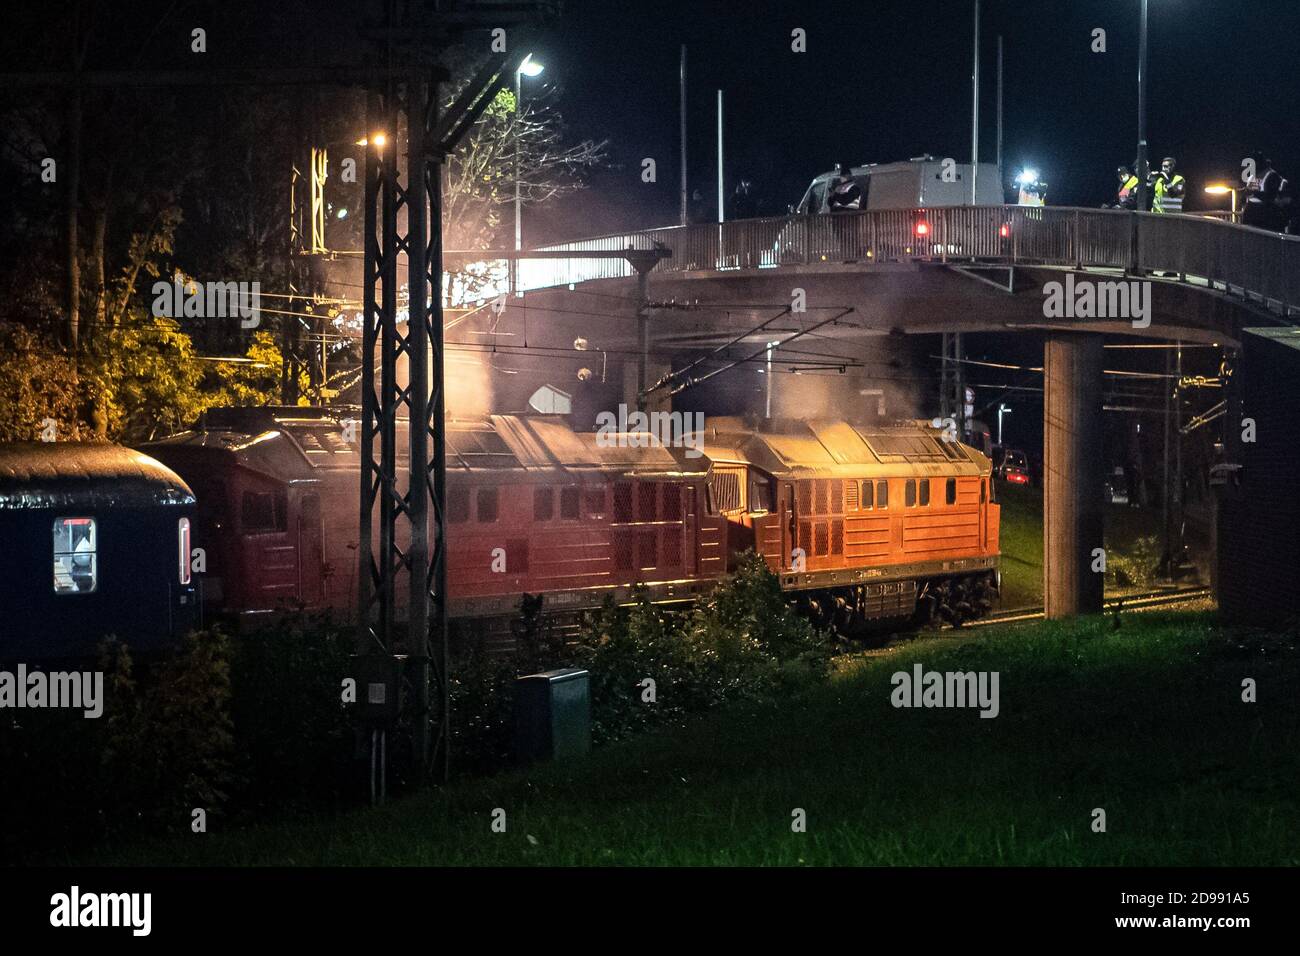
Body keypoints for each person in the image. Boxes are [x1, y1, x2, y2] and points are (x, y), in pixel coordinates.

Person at [1243, 153, 1284, 230]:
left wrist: (1254, 193)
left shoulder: (1273, 176)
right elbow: (1247, 193)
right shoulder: (1252, 176)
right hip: (1251, 212)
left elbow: (1271, 197)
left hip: (1264, 213)